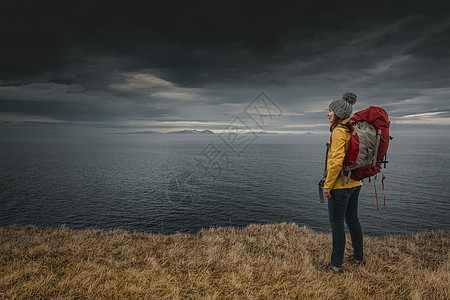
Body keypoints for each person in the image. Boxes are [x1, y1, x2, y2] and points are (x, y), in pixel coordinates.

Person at [322, 92, 365, 274]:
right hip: (355, 183)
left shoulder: (340, 131)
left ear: (338, 113)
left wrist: (328, 185)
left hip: (340, 186)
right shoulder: (352, 129)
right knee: (353, 220)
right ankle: (358, 257)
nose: (328, 114)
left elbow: (336, 161)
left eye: (330, 111)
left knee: (337, 223)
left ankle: (336, 265)